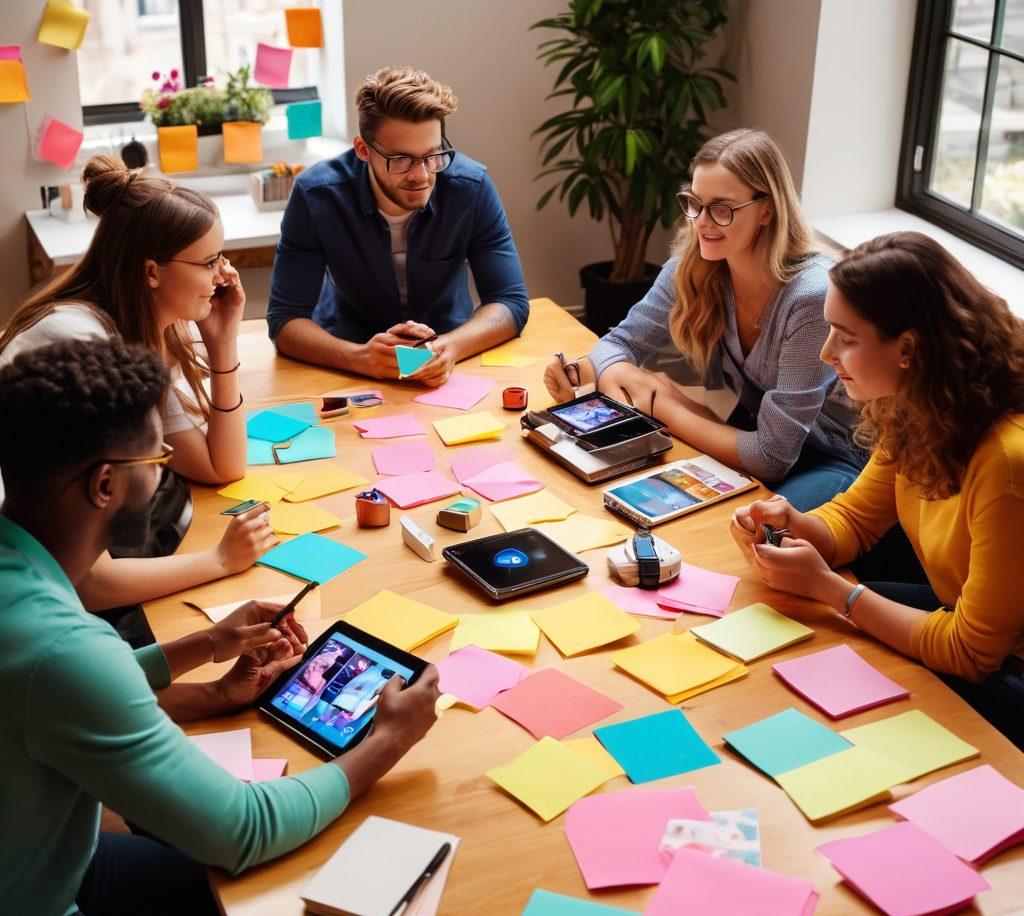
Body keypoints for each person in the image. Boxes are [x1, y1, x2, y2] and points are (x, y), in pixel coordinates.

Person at [0, 339, 440, 916]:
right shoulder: (64, 649)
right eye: (156, 460)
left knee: (245, 888)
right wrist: (387, 740)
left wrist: (206, 657)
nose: (163, 471)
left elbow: (41, 698)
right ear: (106, 484)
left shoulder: (22, 588)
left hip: (47, 862)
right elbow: (243, 826)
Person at [731, 232, 1024, 749]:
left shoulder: (1005, 460)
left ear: (908, 349)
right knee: (805, 623)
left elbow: (972, 654)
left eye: (845, 337)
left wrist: (831, 588)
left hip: (1006, 667)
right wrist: (796, 525)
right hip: (966, 620)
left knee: (835, 652)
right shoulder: (916, 402)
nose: (826, 353)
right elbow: (859, 520)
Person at [0, 155, 274, 624]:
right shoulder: (81, 350)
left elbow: (219, 466)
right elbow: (87, 582)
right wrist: (220, 561)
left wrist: (223, 342)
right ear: (152, 272)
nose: (224, 276)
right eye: (209, 262)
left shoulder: (140, 328)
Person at [543, 128, 864, 511]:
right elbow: (617, 344)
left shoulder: (810, 297)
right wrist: (593, 373)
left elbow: (772, 459)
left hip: (836, 459)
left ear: (767, 209)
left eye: (722, 208)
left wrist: (661, 400)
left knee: (750, 531)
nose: (702, 223)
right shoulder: (695, 266)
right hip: (753, 434)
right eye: (694, 203)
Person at [268, 65, 530, 386]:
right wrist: (359, 357)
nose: (421, 175)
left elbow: (510, 301)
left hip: (449, 355)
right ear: (364, 150)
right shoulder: (316, 195)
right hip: (348, 355)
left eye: (432, 155)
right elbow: (285, 321)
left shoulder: (470, 187)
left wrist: (450, 348)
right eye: (402, 160)